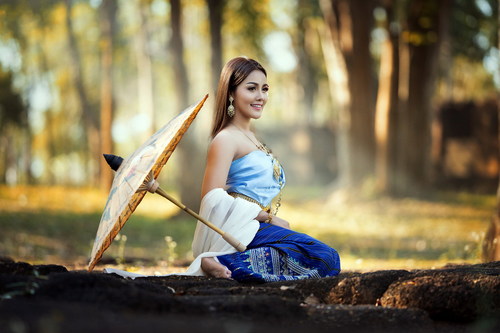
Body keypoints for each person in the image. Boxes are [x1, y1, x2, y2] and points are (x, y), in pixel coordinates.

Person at [190, 56, 341, 282]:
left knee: (316, 258)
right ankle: (219, 261)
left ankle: (232, 262)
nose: (260, 96)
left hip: (257, 227)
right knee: (326, 257)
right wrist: (267, 218)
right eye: (251, 88)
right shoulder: (226, 139)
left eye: (264, 89)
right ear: (231, 93)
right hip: (239, 227)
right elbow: (211, 198)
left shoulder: (252, 137)